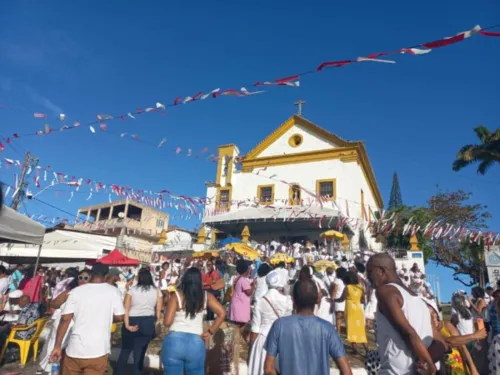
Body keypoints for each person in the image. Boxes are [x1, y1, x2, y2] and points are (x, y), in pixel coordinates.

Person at [263, 279, 352, 375]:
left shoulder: (279, 325)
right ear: (317, 300)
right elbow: (346, 372)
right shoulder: (328, 329)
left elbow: (269, 369)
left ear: (293, 299)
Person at [366, 253, 436, 375]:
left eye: (369, 272)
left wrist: (428, 362)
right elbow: (441, 343)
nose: (368, 277)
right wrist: (428, 364)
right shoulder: (421, 302)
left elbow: (408, 332)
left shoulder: (386, 291)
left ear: (381, 271)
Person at [50, 263, 125, 375]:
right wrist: (106, 317)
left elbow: (65, 319)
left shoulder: (76, 291)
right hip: (98, 350)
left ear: (91, 274)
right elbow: (120, 316)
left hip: (74, 349)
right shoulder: (114, 291)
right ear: (106, 275)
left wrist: (57, 346)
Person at [162, 267, 226, 375]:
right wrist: (210, 331)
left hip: (174, 342)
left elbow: (167, 322)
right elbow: (222, 313)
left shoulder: (176, 295)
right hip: (196, 342)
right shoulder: (206, 296)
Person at [116, 268, 162, 375]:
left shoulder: (132, 290)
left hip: (132, 319)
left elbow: (126, 308)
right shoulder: (156, 291)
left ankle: (119, 372)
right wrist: (156, 322)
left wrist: (127, 324)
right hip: (148, 321)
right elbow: (158, 310)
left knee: (125, 350)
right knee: (140, 353)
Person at [248, 271, 293, 375]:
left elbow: (255, 329)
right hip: (281, 339)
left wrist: (251, 350)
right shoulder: (287, 300)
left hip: (263, 339)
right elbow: (288, 324)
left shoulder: (260, 301)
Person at [38, 268, 81, 373]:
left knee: (60, 347)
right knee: (58, 347)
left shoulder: (71, 292)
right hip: (66, 322)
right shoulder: (69, 293)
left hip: (69, 322)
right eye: (81, 278)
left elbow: (54, 304)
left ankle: (54, 368)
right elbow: (54, 304)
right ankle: (52, 368)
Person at [425, 301, 482, 375]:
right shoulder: (425, 331)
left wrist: (473, 369)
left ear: (437, 313)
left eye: (433, 313)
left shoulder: (446, 325)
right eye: (428, 315)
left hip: (458, 366)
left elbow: (462, 347)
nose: (432, 317)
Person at [334, 271, 368, 355]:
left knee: (351, 329)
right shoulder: (360, 287)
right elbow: (363, 300)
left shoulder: (348, 287)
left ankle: (355, 350)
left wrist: (333, 300)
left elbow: (341, 299)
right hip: (358, 309)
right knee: (360, 330)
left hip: (350, 309)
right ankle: (367, 350)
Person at [332, 267, 347, 331]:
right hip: (344, 300)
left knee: (337, 317)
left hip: (337, 300)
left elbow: (334, 290)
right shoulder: (345, 281)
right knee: (341, 317)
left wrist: (332, 298)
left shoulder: (337, 280)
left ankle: (337, 332)